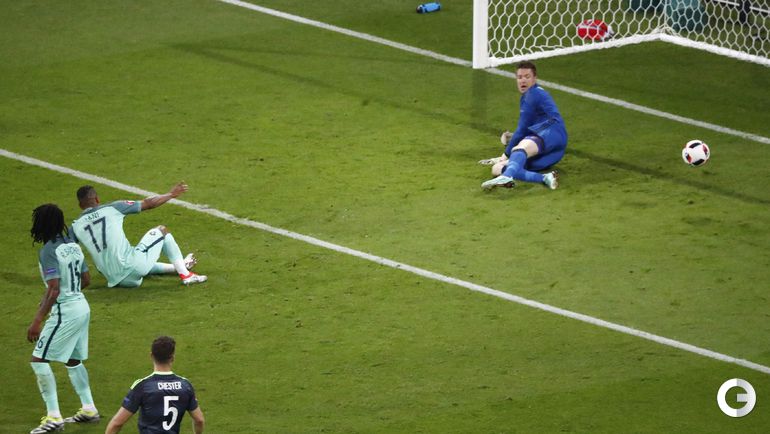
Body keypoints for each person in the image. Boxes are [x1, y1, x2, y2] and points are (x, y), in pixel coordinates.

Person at [27, 204, 100, 434]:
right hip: (82, 307)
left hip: (65, 312)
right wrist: (71, 293)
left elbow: (54, 288)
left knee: (39, 360)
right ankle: (89, 409)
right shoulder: (73, 246)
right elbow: (86, 279)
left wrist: (37, 320)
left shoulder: (49, 250)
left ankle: (53, 417)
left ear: (43, 224)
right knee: (73, 359)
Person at [70, 182, 207, 287]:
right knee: (162, 231)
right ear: (97, 199)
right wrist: (170, 194)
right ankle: (186, 275)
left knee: (120, 257)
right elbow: (149, 203)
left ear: (80, 205)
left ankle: (177, 267)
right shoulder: (113, 208)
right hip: (132, 268)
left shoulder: (75, 226)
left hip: (114, 279)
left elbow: (67, 251)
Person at [479, 61, 567, 190]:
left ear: (534, 78)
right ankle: (545, 178)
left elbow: (522, 129)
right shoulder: (531, 95)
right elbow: (527, 129)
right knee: (497, 169)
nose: (523, 80)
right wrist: (513, 139)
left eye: (527, 76)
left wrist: (505, 154)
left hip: (551, 132)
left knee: (518, 149)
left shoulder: (533, 94)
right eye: (519, 77)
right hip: (551, 154)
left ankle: (507, 176)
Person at [105, 336, 205, 434]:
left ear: (151, 356)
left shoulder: (143, 386)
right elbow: (199, 420)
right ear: (172, 358)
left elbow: (116, 424)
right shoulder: (185, 385)